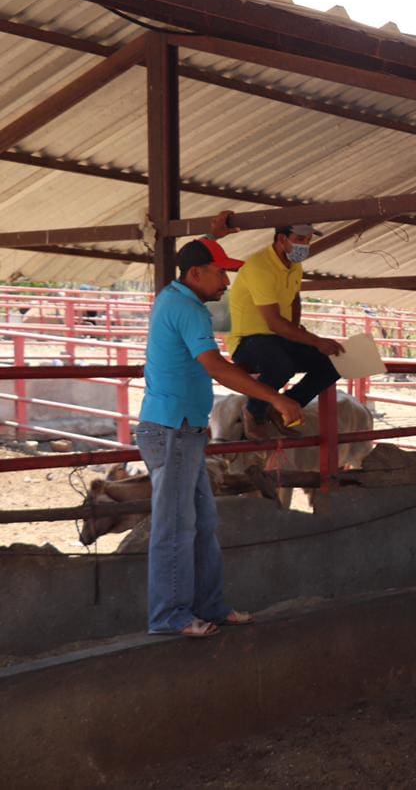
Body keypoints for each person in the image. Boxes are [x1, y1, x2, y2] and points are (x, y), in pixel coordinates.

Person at [139, 219, 303, 638]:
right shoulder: (189, 310)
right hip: (173, 428)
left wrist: (213, 236)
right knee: (177, 526)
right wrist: (275, 397)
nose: (226, 282)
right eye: (220, 273)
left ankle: (208, 606)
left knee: (200, 523)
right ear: (196, 274)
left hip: (183, 428)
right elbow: (215, 366)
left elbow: (195, 255)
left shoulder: (175, 297)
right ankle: (170, 615)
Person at [226, 223, 344, 438]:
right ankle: (254, 411)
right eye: (300, 239)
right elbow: (273, 322)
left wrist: (296, 330)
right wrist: (315, 341)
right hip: (247, 340)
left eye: (308, 241)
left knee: (332, 364)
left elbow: (294, 299)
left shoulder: (294, 266)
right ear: (281, 239)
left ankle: (284, 406)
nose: (305, 245)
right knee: (281, 366)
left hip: (277, 337)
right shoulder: (259, 267)